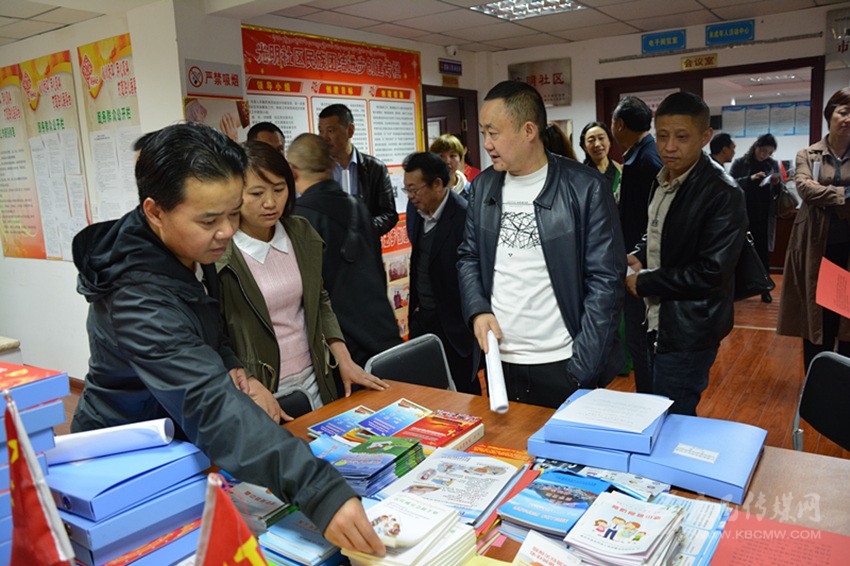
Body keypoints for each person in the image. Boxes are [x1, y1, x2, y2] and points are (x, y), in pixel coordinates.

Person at [71, 123, 385, 555]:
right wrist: (318, 488)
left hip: (176, 443)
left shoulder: (189, 249)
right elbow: (209, 404)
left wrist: (232, 364)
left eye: (233, 213)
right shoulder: (137, 298)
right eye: (209, 220)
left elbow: (205, 323)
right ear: (155, 212)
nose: (226, 231)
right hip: (122, 462)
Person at [458, 80, 625, 409]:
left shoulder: (585, 187)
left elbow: (606, 280)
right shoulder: (483, 187)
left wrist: (583, 367)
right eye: (483, 133)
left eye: (493, 133)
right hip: (501, 362)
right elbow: (469, 257)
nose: (486, 143)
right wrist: (478, 311)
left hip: (564, 362)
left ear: (528, 130)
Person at [217, 140, 389, 415]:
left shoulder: (299, 231)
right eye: (257, 193)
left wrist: (343, 357)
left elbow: (319, 300)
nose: (270, 203)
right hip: (262, 389)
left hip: (316, 377)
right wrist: (246, 380)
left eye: (279, 189)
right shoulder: (221, 251)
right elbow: (217, 332)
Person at [626, 92, 747, 416]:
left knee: (674, 415)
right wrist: (640, 254)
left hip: (690, 328)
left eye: (681, 137)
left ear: (705, 137)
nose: (669, 147)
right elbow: (658, 228)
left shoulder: (723, 192)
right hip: (655, 319)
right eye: (662, 136)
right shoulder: (663, 177)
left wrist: (645, 281)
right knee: (651, 411)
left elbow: (711, 272)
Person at [287, 133, 403, 368]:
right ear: (332, 165)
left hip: (340, 340)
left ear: (292, 172)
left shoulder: (297, 218)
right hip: (379, 325)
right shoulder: (357, 205)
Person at [778, 87, 850, 371]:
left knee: (847, 318)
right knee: (818, 318)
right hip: (815, 247)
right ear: (830, 115)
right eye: (843, 112)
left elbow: (817, 191)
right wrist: (844, 194)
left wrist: (826, 193)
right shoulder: (808, 154)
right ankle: (816, 380)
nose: (848, 119)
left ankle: (843, 382)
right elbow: (806, 190)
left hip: (846, 250)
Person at [403, 151, 480, 394]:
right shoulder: (417, 211)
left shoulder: (464, 216)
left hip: (454, 326)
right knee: (427, 392)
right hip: (423, 319)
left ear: (437, 184)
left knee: (464, 393)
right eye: (407, 190)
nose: (411, 197)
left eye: (415, 190)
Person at [612, 96, 662, 394]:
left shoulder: (647, 160)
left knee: (641, 339)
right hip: (636, 259)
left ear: (619, 124)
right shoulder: (640, 155)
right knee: (638, 339)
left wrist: (639, 255)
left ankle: (649, 400)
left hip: (641, 263)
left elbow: (654, 218)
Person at [317, 104, 398, 236]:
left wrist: (363, 228)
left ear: (350, 130)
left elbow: (389, 214)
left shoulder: (375, 168)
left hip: (365, 245)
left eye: (330, 131)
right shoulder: (316, 169)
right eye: (321, 131)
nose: (324, 138)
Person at [731, 133, 781, 303]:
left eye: (769, 153)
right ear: (756, 146)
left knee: (762, 252)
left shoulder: (771, 164)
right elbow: (731, 184)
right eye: (763, 151)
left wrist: (776, 183)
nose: (765, 155)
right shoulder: (740, 162)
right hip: (743, 214)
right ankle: (737, 288)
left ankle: (764, 288)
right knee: (739, 251)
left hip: (763, 214)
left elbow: (778, 191)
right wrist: (750, 178)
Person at [579, 121, 622, 200]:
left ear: (609, 141)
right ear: (584, 147)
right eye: (591, 140)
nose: (597, 144)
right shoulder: (580, 175)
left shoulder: (621, 170)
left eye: (601, 138)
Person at [429, 134, 471, 198]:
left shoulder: (471, 191)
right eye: (441, 156)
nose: (447, 161)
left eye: (452, 156)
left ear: (460, 159)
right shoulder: (425, 191)